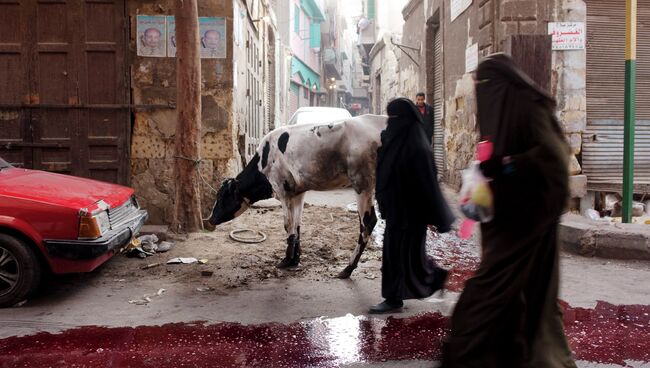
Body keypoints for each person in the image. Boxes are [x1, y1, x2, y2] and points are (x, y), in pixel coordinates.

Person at [442, 54, 577, 367]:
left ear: (502, 84)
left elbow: (554, 164)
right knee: (512, 309)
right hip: (504, 229)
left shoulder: (532, 109)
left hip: (529, 232)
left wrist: (509, 166)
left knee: (493, 303)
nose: (482, 93)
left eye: (486, 86)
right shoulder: (503, 110)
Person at [370, 97, 455, 314]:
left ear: (404, 118)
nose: (391, 122)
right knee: (411, 256)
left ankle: (393, 298)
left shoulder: (417, 146)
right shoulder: (398, 139)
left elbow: (428, 183)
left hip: (409, 212)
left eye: (395, 117)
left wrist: (436, 215)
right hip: (398, 210)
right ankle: (435, 277)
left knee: (395, 254)